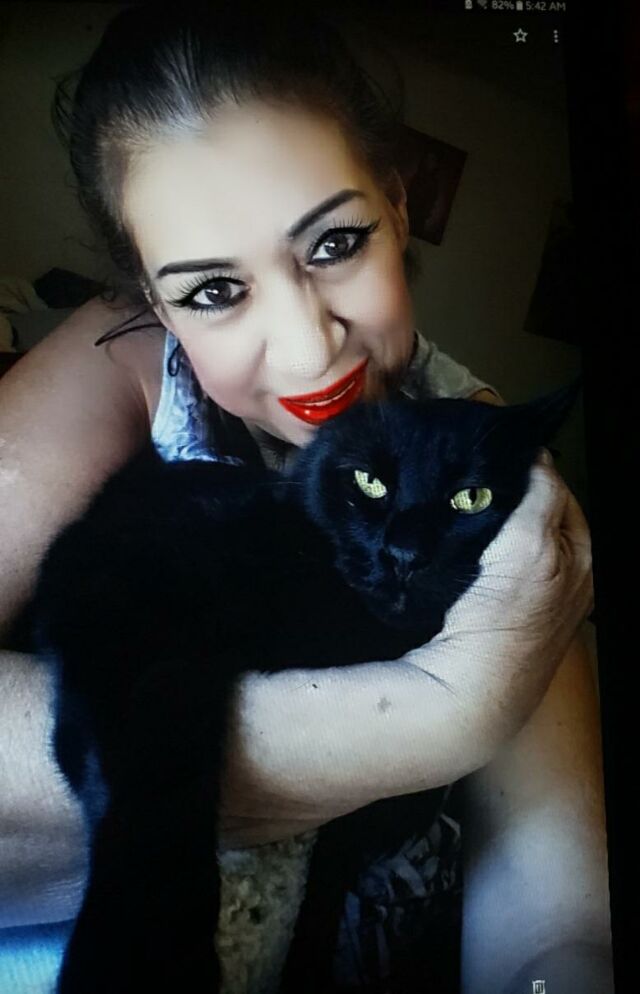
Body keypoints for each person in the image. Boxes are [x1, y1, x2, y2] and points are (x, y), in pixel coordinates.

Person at [0, 4, 610, 992]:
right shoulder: (114, 368)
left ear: (397, 208)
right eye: (211, 291)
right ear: (152, 306)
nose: (307, 346)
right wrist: (440, 718)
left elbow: (556, 915)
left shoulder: (481, 447)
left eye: (334, 243)